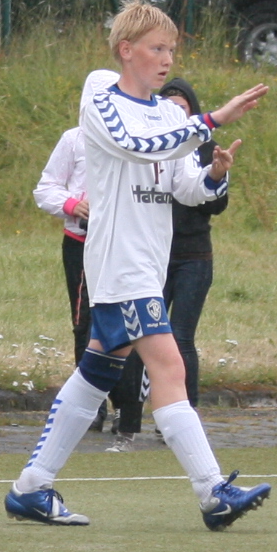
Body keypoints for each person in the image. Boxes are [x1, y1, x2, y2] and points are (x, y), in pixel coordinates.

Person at [5, 1, 269, 530]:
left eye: (171, 49)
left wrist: (214, 175)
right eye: (156, 48)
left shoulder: (171, 115)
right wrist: (212, 120)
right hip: (118, 263)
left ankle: (31, 487)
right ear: (126, 51)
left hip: (149, 263)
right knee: (169, 367)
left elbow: (183, 188)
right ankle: (212, 491)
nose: (167, 59)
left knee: (97, 372)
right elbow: (137, 147)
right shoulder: (101, 104)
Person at [108, 76, 230, 446]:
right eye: (169, 107)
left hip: (193, 257)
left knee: (181, 337)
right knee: (138, 339)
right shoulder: (143, 148)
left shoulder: (203, 148)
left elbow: (212, 202)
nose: (176, 114)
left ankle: (180, 421)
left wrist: (216, 174)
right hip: (151, 257)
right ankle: (128, 419)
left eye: (183, 109)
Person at [31, 120, 116, 432]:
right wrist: (72, 205)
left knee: (126, 324)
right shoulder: (74, 139)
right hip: (81, 243)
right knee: (85, 324)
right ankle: (89, 408)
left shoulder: (135, 137)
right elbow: (45, 188)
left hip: (125, 244)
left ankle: (126, 405)